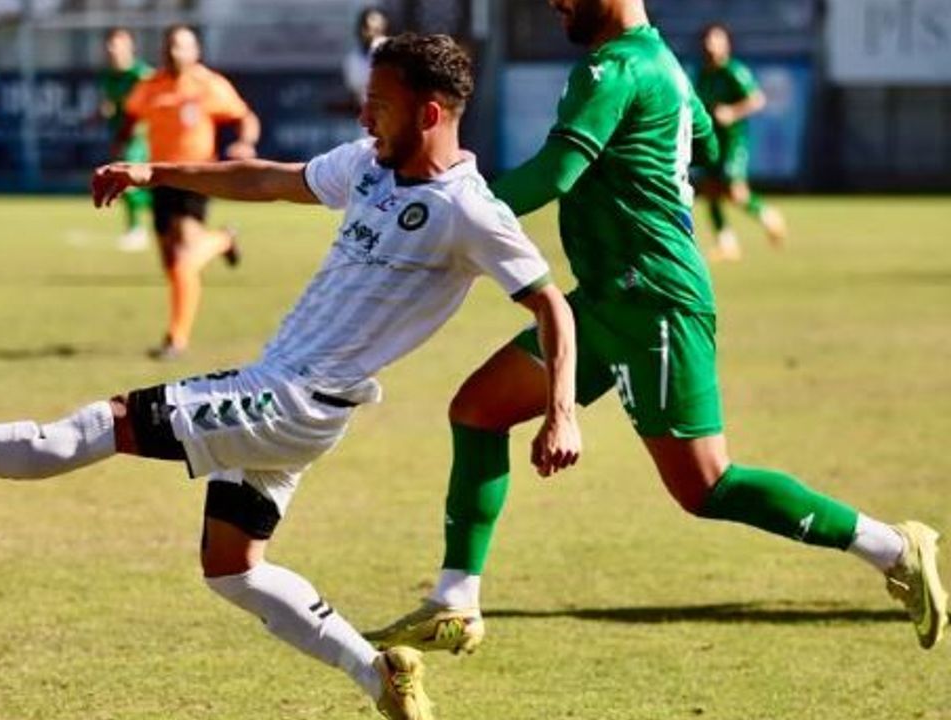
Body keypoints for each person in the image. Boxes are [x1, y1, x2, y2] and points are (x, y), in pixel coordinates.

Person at [0, 33, 580, 720]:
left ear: (427, 114)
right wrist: (156, 171)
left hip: (291, 400)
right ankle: (378, 674)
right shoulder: (369, 164)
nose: (365, 116)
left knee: (100, 425)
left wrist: (561, 412)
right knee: (233, 569)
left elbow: (552, 305)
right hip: (288, 396)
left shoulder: (468, 211)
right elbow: (271, 179)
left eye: (379, 104)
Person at [366, 0, 946, 657]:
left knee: (707, 485)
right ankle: (454, 600)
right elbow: (707, 141)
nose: (555, 1)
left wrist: (439, 211)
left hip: (655, 304)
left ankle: (895, 547)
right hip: (606, 301)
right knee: (478, 410)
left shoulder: (613, 70)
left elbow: (556, 173)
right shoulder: (662, 63)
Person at [120, 24, 260, 360]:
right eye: (170, 45)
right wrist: (121, 150)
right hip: (160, 178)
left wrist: (245, 142)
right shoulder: (150, 86)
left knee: (184, 258)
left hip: (197, 176)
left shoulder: (209, 85)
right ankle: (223, 240)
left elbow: (245, 117)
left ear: (195, 51)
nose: (174, 52)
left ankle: (177, 339)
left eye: (181, 46)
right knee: (171, 262)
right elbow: (130, 117)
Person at [695, 22, 787, 262]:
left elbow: (757, 99)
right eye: (707, 39)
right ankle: (726, 244)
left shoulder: (734, 71)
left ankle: (768, 216)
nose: (710, 44)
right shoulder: (703, 74)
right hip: (712, 142)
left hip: (734, 143)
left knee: (736, 192)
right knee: (710, 191)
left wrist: (732, 112)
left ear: (726, 44)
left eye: (716, 39)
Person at [96, 27, 154, 252]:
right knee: (131, 183)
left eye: (117, 44)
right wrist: (102, 112)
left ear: (130, 47)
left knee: (127, 180)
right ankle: (138, 226)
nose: (112, 49)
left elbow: (152, 105)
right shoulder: (109, 77)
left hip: (140, 138)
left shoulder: (142, 75)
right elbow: (111, 104)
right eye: (109, 44)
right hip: (119, 135)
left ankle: (137, 230)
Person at [344, 7, 389, 111]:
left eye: (377, 29)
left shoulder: (392, 53)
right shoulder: (353, 58)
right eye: (366, 27)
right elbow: (354, 92)